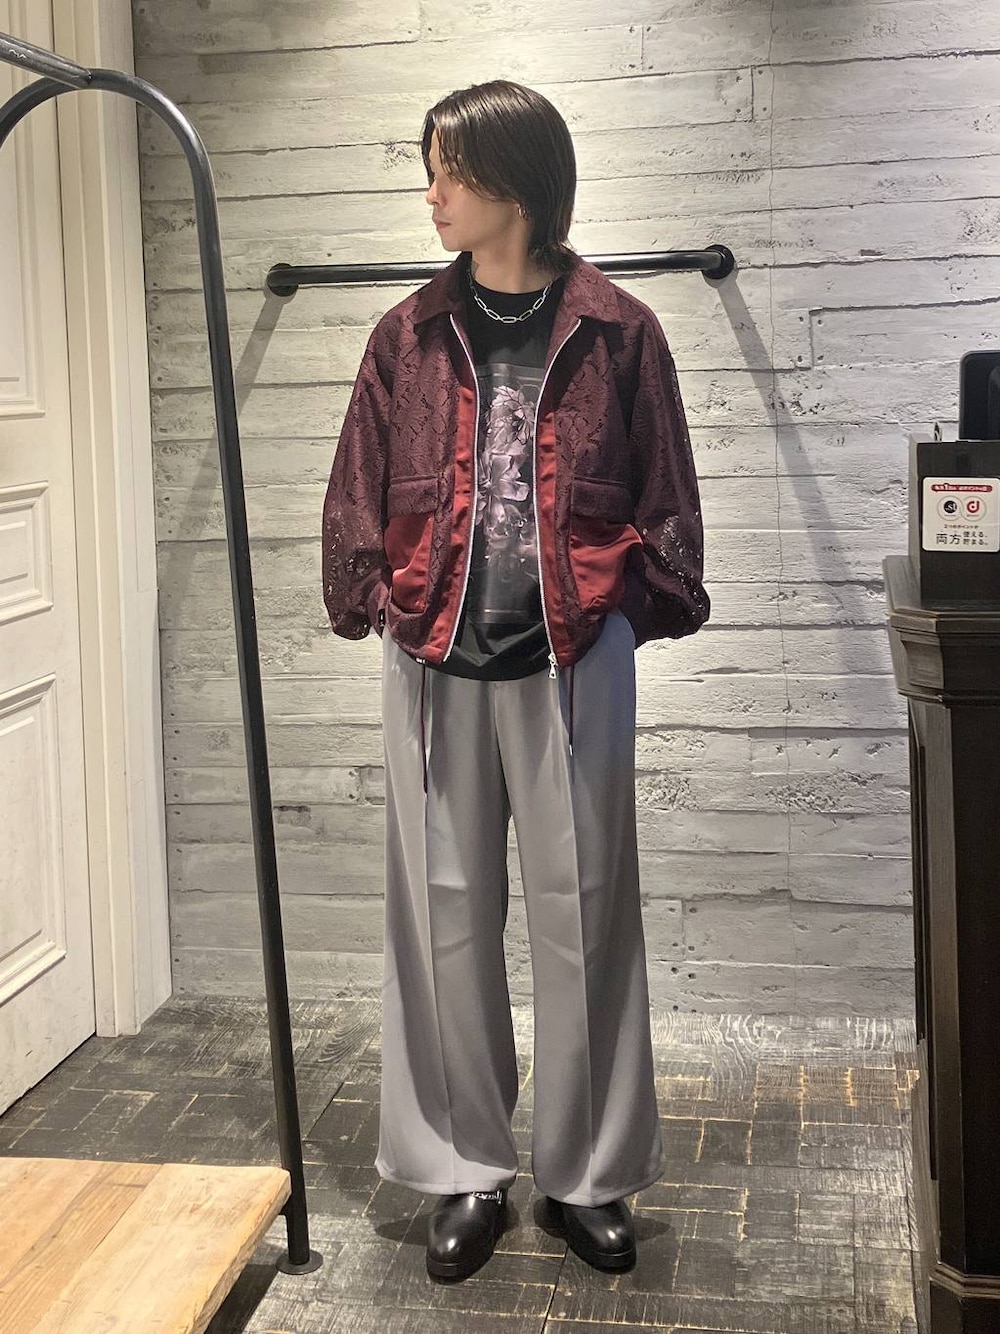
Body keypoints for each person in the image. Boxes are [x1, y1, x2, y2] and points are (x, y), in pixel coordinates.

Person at [322, 79, 710, 1282]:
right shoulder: (404, 335)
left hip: (573, 658)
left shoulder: (619, 331)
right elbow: (355, 488)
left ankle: (588, 1175)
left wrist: (625, 604)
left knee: (587, 915)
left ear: (516, 183)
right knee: (441, 918)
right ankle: (463, 1167)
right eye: (430, 170)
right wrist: (378, 598)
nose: (431, 194)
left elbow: (666, 496)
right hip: (433, 658)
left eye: (449, 170)